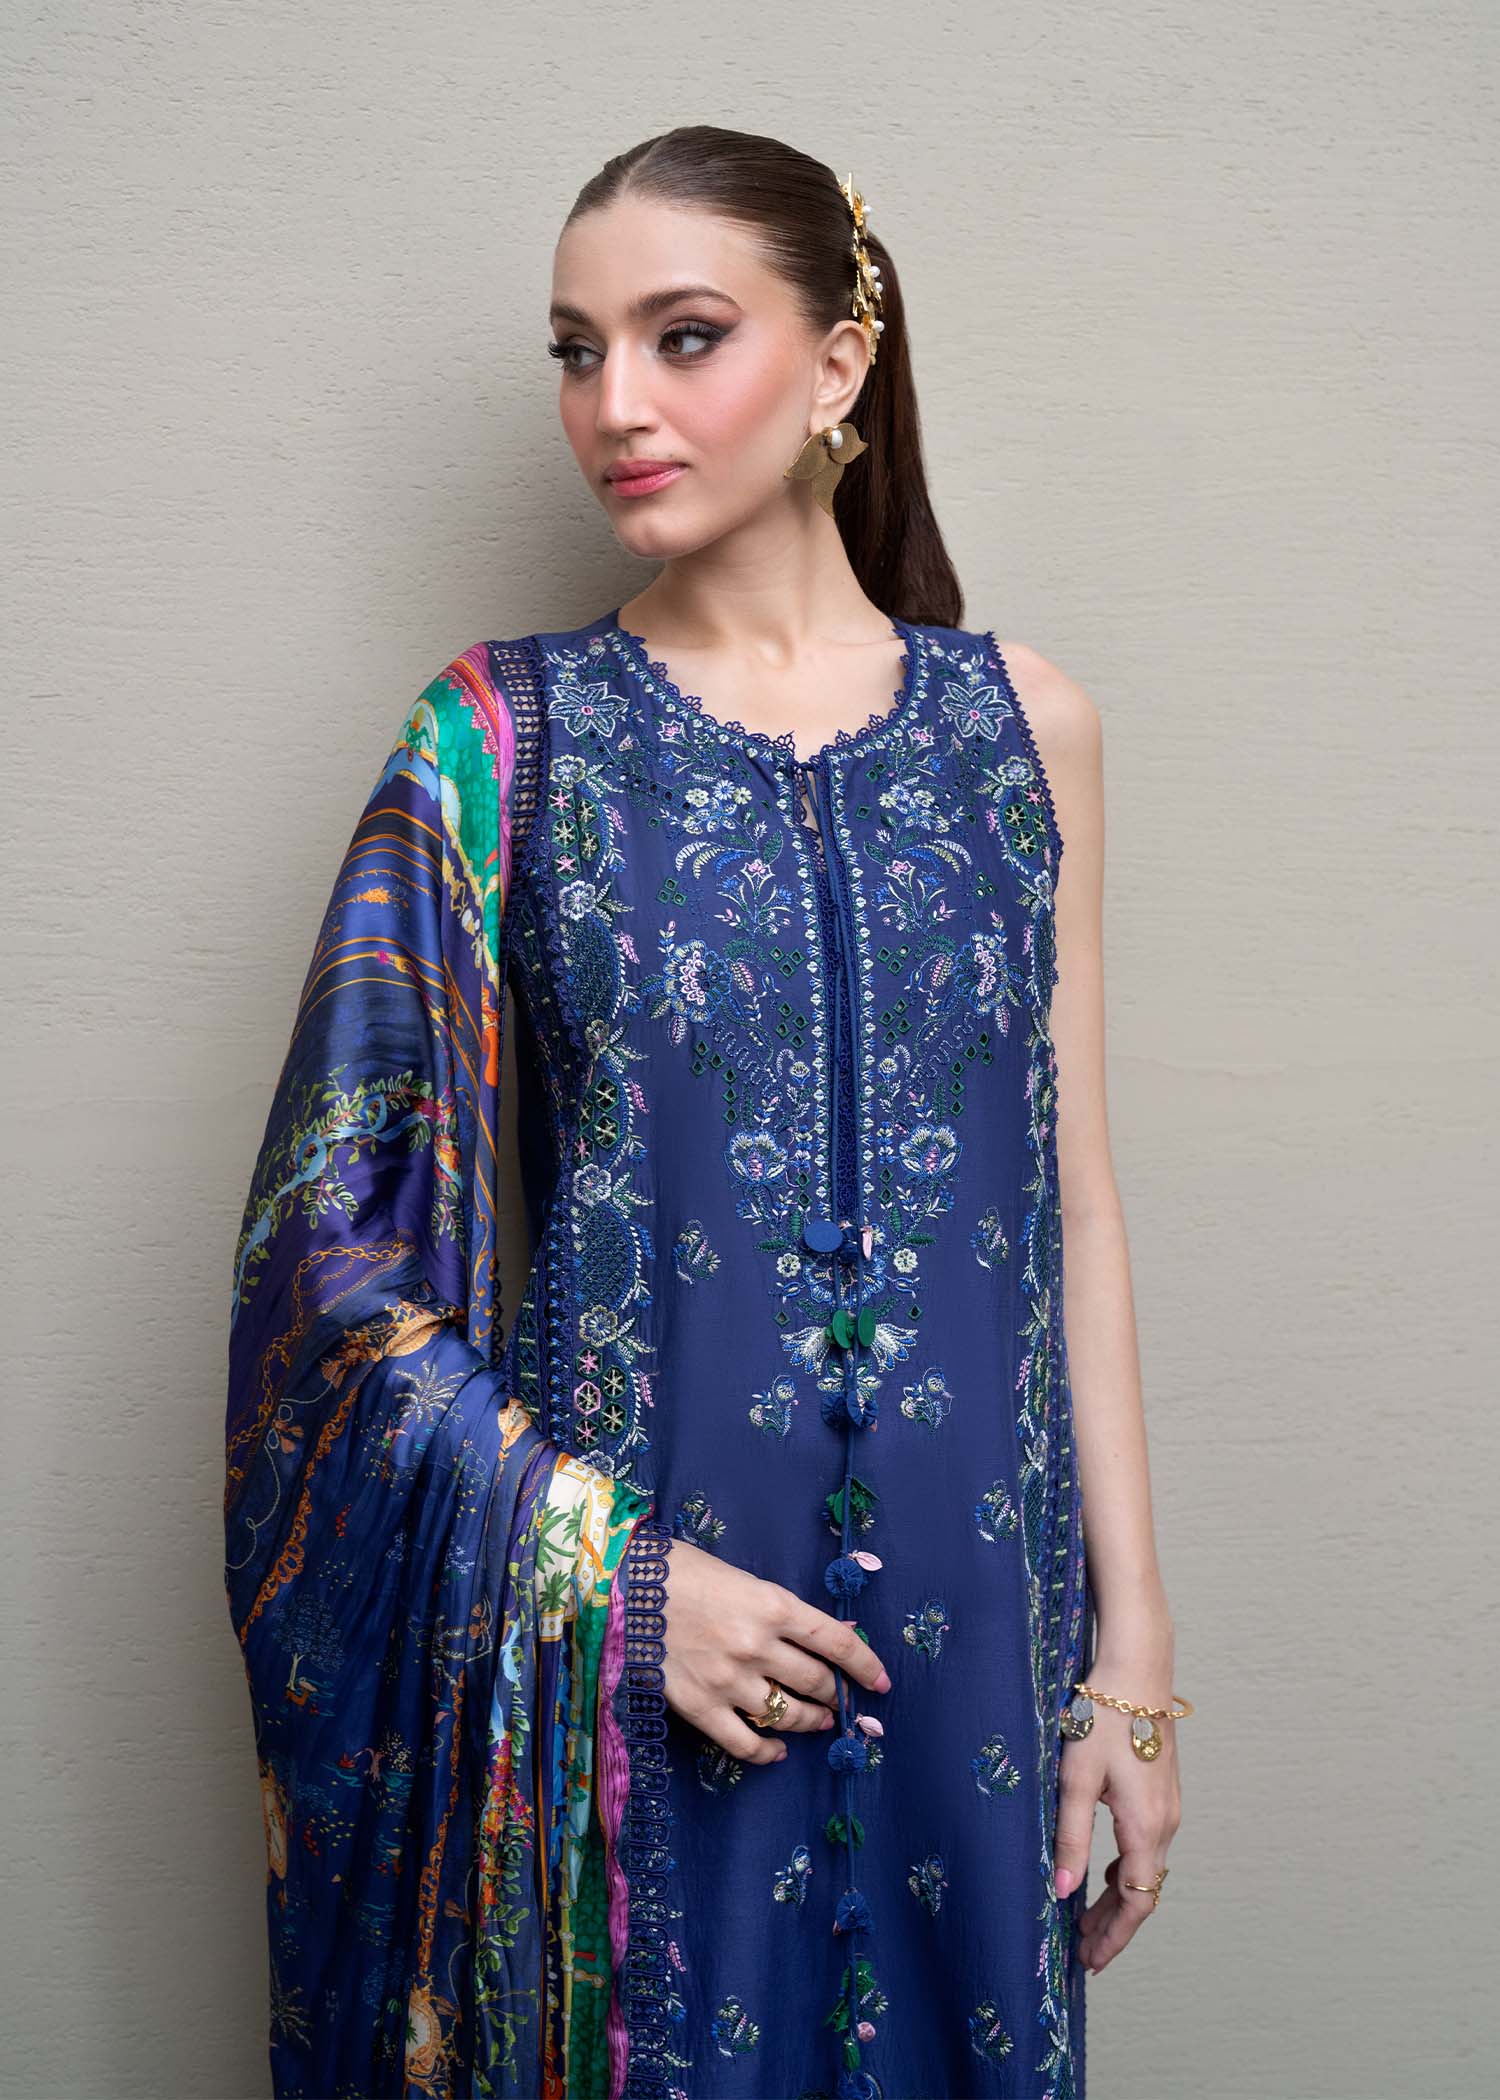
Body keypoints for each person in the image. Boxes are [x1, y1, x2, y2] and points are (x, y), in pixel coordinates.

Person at [223, 123, 1185, 2100]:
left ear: (840, 362)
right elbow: (335, 1270)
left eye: (682, 337)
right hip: (654, 1668)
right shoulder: (500, 740)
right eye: (576, 352)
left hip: (980, 1655)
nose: (615, 406)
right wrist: (616, 1595)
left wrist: (1136, 1669)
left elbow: (1074, 1206)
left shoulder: (1028, 731)